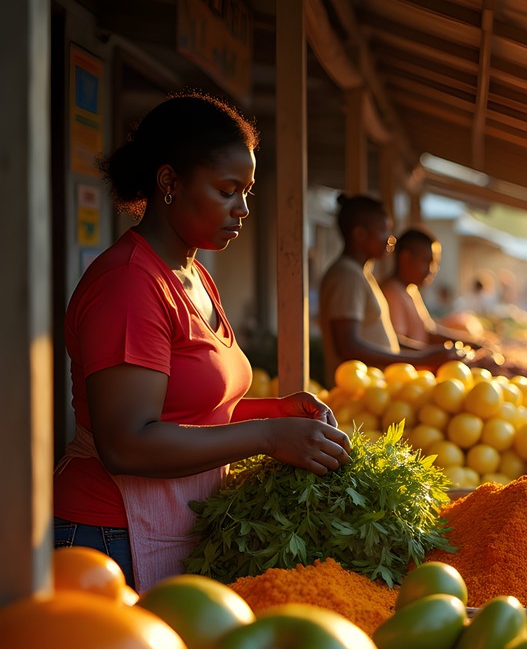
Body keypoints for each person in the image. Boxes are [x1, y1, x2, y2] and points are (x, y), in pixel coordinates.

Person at [53, 92, 353, 592]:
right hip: (108, 540)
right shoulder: (130, 284)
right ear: (169, 182)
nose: (242, 209)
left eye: (247, 192)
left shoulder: (192, 273)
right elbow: (126, 443)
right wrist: (266, 438)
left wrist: (274, 413)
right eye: (227, 190)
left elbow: (191, 414)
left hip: (167, 528)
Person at [319, 195, 464, 382]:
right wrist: (423, 359)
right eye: (383, 231)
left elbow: (386, 343)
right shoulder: (346, 276)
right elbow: (348, 346)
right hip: (357, 392)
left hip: (376, 389)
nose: (390, 239)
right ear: (360, 235)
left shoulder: (361, 275)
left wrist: (429, 354)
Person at [379, 226, 491, 357]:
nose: (432, 270)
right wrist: (432, 355)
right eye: (427, 262)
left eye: (435, 264)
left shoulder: (411, 290)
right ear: (406, 258)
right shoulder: (391, 292)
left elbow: (429, 331)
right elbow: (395, 344)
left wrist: (469, 343)